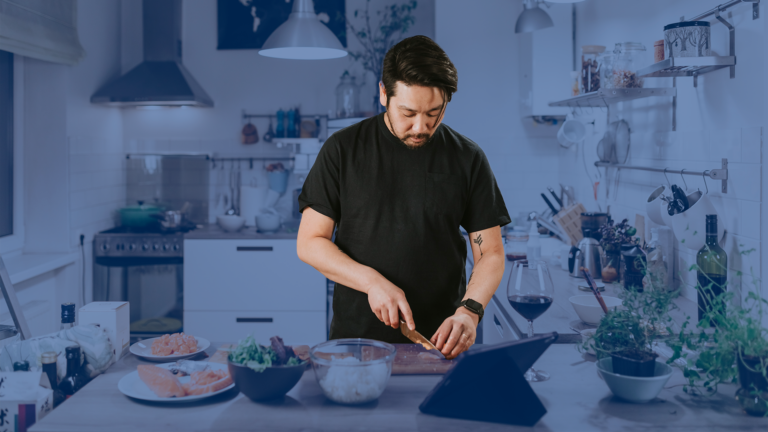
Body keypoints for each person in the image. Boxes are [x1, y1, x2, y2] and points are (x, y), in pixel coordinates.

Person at [297, 35, 510, 359]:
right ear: (384, 93)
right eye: (408, 113)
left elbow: (491, 253)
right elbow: (310, 242)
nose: (421, 127)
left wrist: (470, 310)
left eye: (434, 113)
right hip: (356, 344)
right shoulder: (342, 150)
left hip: (442, 344)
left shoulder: (467, 157)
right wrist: (372, 282)